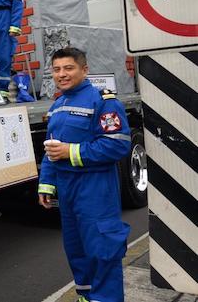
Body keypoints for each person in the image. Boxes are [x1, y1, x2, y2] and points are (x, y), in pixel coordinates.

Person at [38, 48, 131, 302]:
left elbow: (117, 144)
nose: (62, 74)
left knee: (103, 251)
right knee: (76, 250)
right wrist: (46, 184)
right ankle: (86, 297)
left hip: (95, 188)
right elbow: (50, 148)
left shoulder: (102, 100)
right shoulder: (58, 105)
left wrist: (72, 151)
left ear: (84, 70)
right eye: (56, 70)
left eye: (68, 68)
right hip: (67, 190)